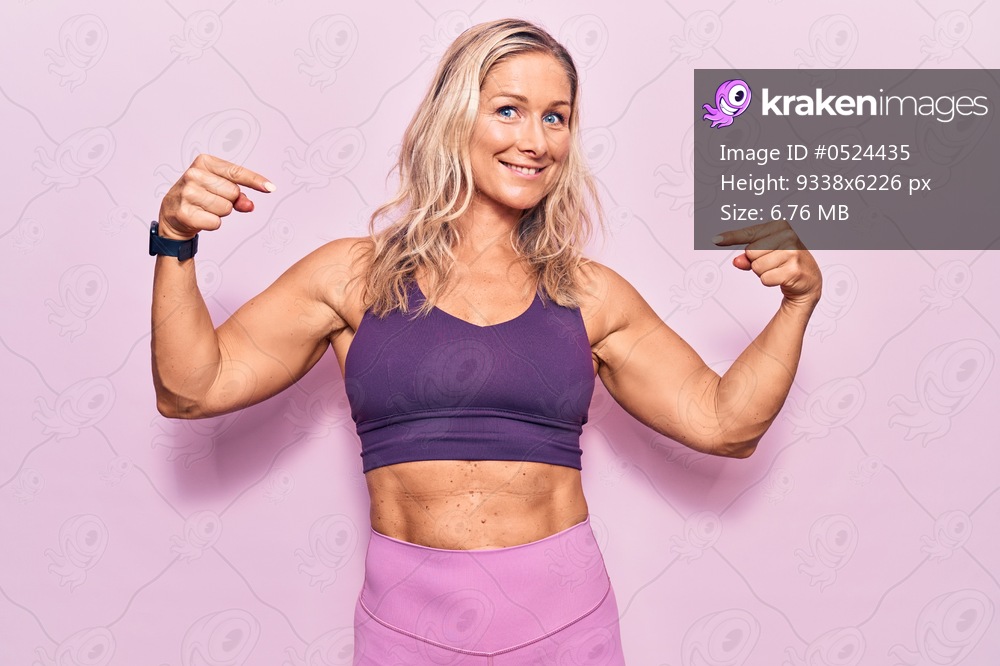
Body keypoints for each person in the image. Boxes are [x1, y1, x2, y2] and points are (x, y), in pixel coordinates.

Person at [150, 18, 821, 665]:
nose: (536, 139)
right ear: (454, 118)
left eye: (555, 117)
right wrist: (174, 240)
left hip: (566, 626)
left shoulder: (590, 294)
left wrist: (798, 302)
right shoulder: (350, 275)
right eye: (509, 110)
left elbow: (724, 424)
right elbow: (191, 389)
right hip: (405, 628)